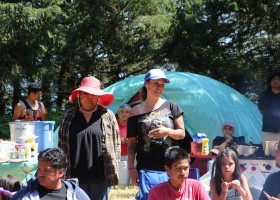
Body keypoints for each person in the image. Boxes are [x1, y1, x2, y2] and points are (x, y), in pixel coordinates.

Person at [58, 76, 120, 200]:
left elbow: (116, 144)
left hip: (101, 176)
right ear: (79, 95)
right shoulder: (68, 116)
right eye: (85, 93)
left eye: (93, 94)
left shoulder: (108, 116)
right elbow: (61, 146)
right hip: (74, 176)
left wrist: (113, 168)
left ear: (98, 96)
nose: (89, 97)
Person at [127, 68, 185, 186]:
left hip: (171, 166)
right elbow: (132, 143)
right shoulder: (134, 112)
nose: (159, 87)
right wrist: (131, 169)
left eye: (162, 84)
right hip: (146, 167)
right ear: (146, 84)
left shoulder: (171, 106)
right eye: (156, 83)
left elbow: (182, 134)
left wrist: (167, 131)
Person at [11, 148, 90, 200]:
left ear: (60, 173)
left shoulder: (76, 194)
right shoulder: (24, 195)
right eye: (39, 169)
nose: (40, 174)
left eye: (46, 170)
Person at [258, 71, 280, 141]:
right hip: (267, 132)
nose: (276, 81)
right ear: (270, 82)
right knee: (267, 152)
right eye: (273, 79)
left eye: (278, 79)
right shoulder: (264, 95)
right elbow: (261, 110)